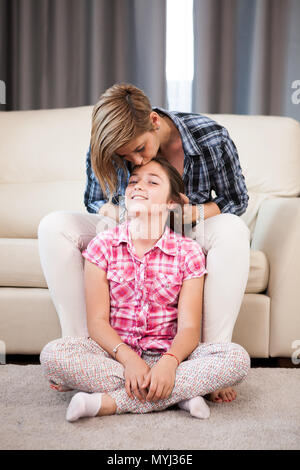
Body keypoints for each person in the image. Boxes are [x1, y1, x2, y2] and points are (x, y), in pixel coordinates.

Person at [38, 82, 250, 403]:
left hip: (187, 224)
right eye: (126, 158)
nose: (135, 162)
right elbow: (94, 200)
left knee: (234, 229)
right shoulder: (109, 144)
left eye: (140, 149)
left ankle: (206, 359)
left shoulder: (212, 137)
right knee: (54, 226)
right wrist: (118, 214)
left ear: (153, 121)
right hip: (124, 226)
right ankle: (88, 353)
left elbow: (237, 199)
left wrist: (191, 213)